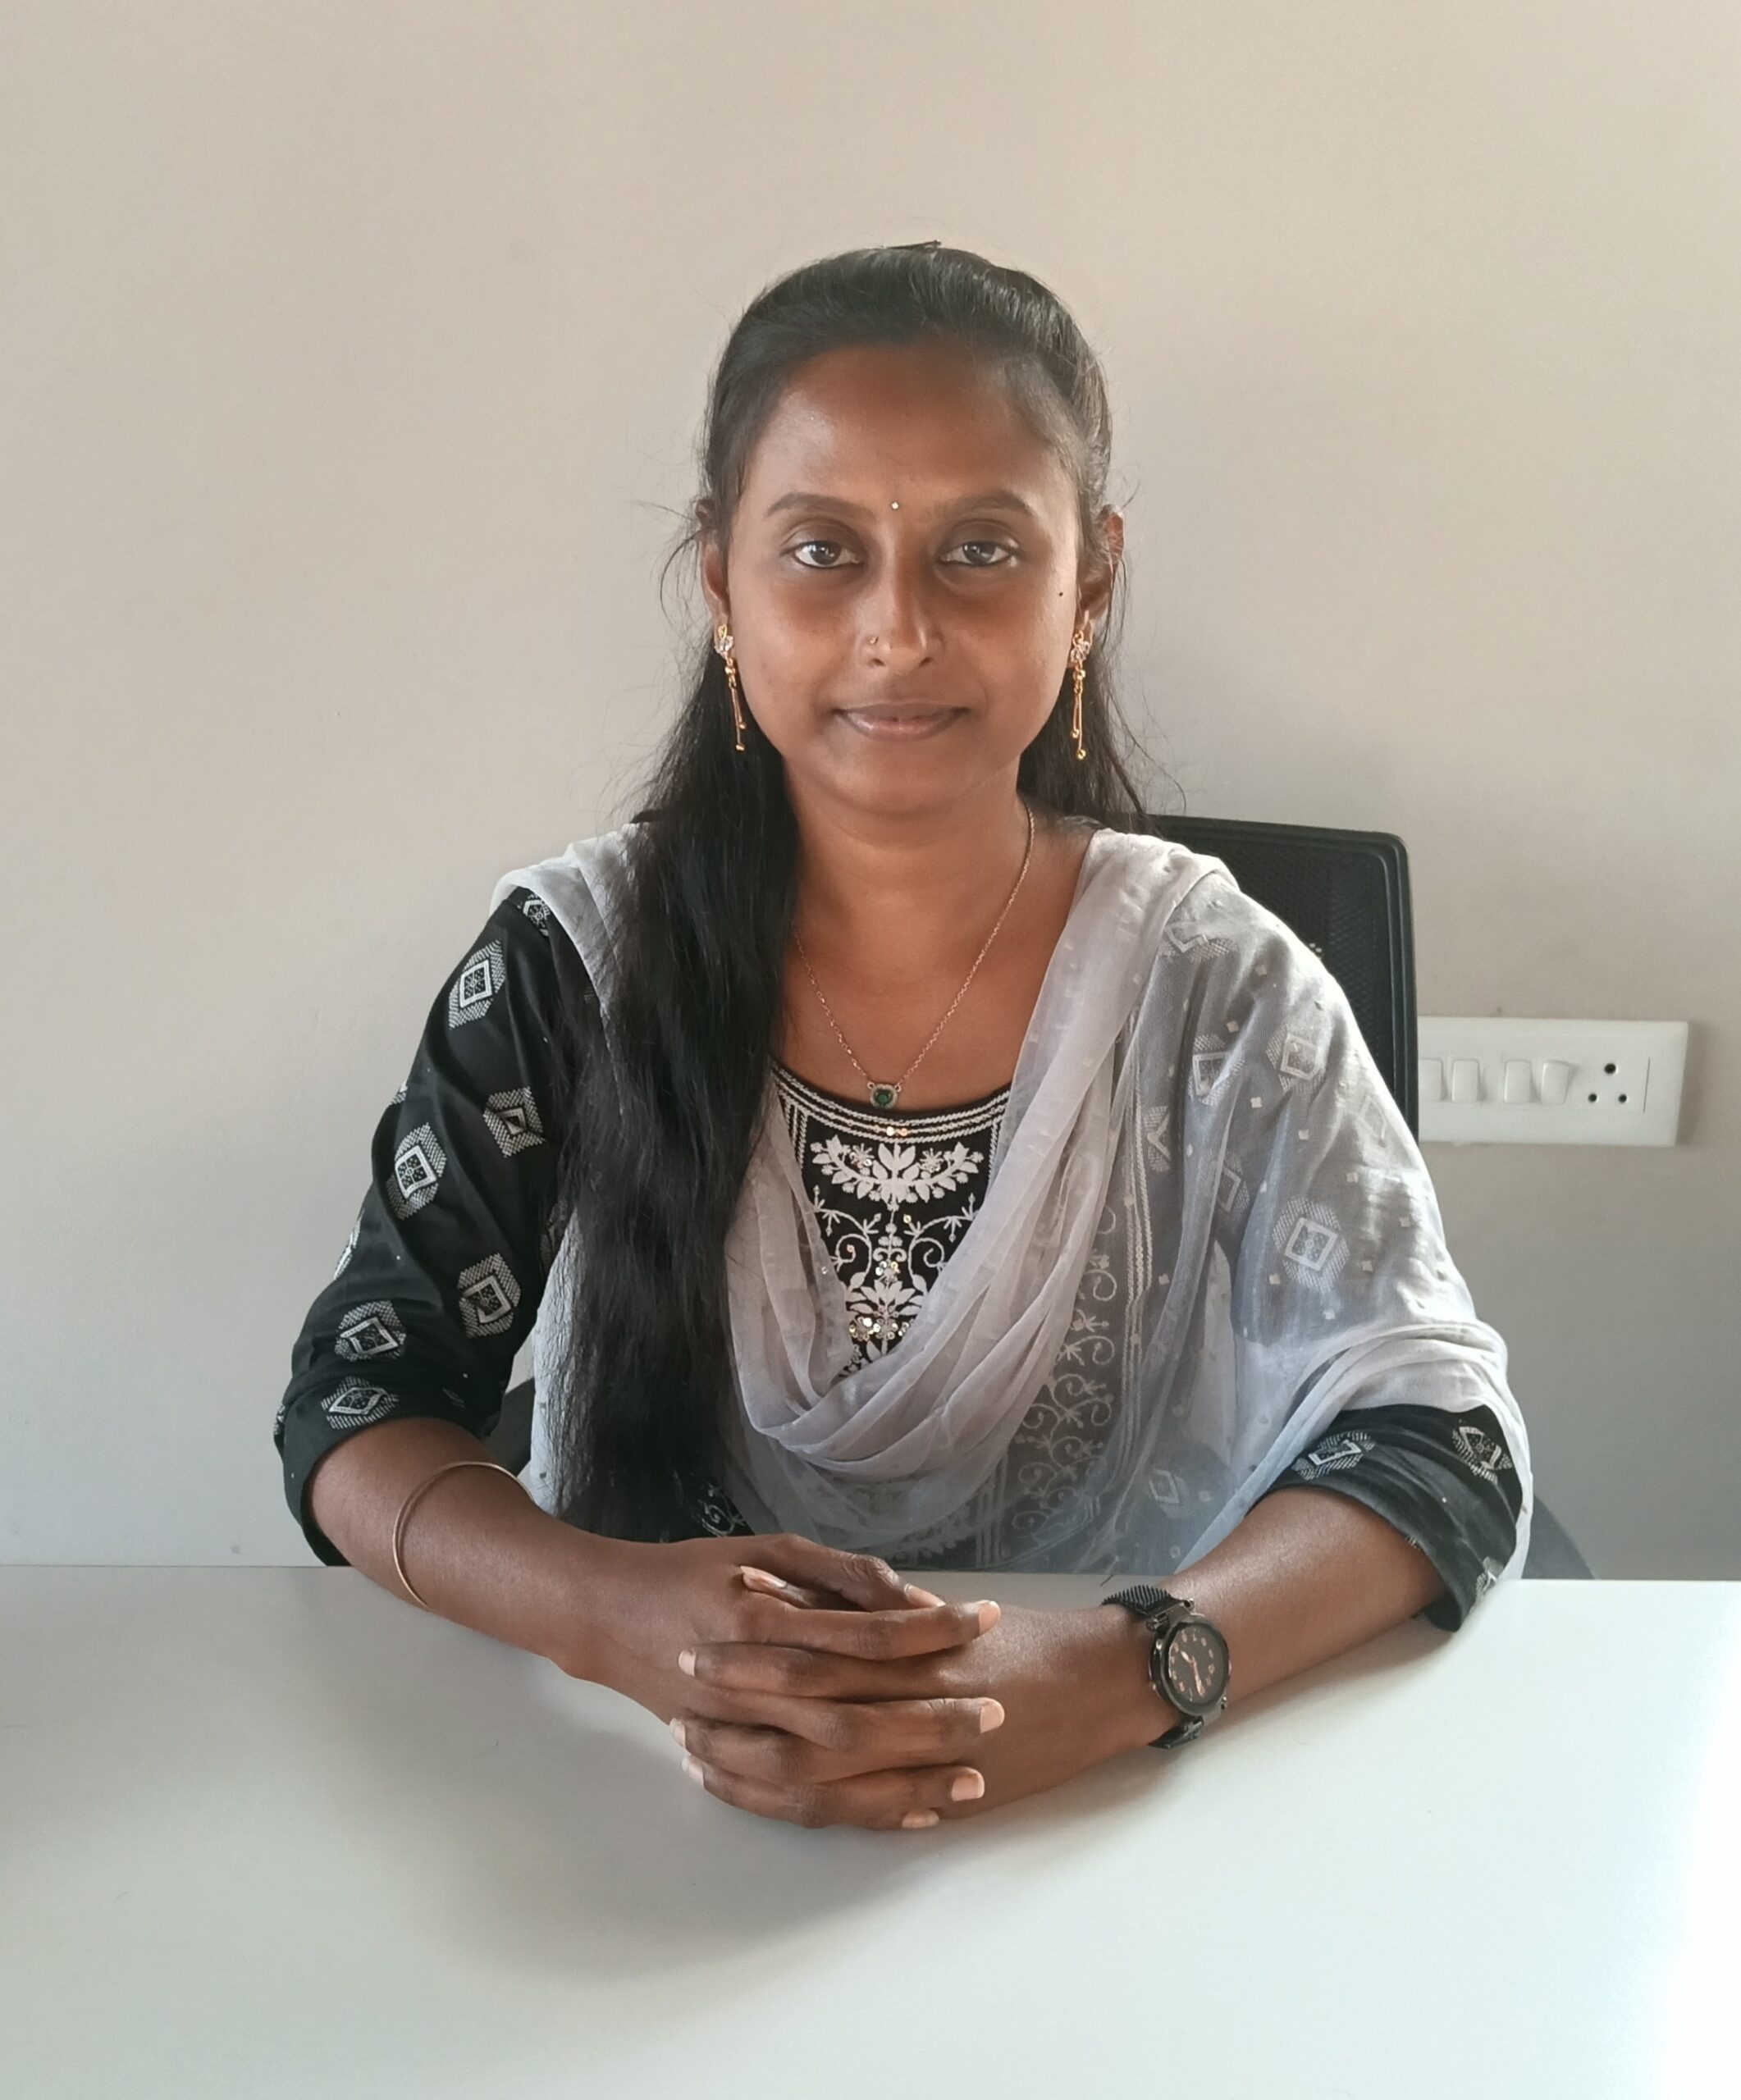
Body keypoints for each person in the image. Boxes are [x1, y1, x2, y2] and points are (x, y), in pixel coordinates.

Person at [276, 242, 1531, 1833]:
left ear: (1088, 585)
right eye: (820, 549)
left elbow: (1442, 1440)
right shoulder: (574, 962)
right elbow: (361, 1398)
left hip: (1120, 1808)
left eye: (978, 550)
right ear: (721, 584)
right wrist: (612, 1613)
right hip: (652, 1797)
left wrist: (1120, 1670)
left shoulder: (1214, 984)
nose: (895, 627)